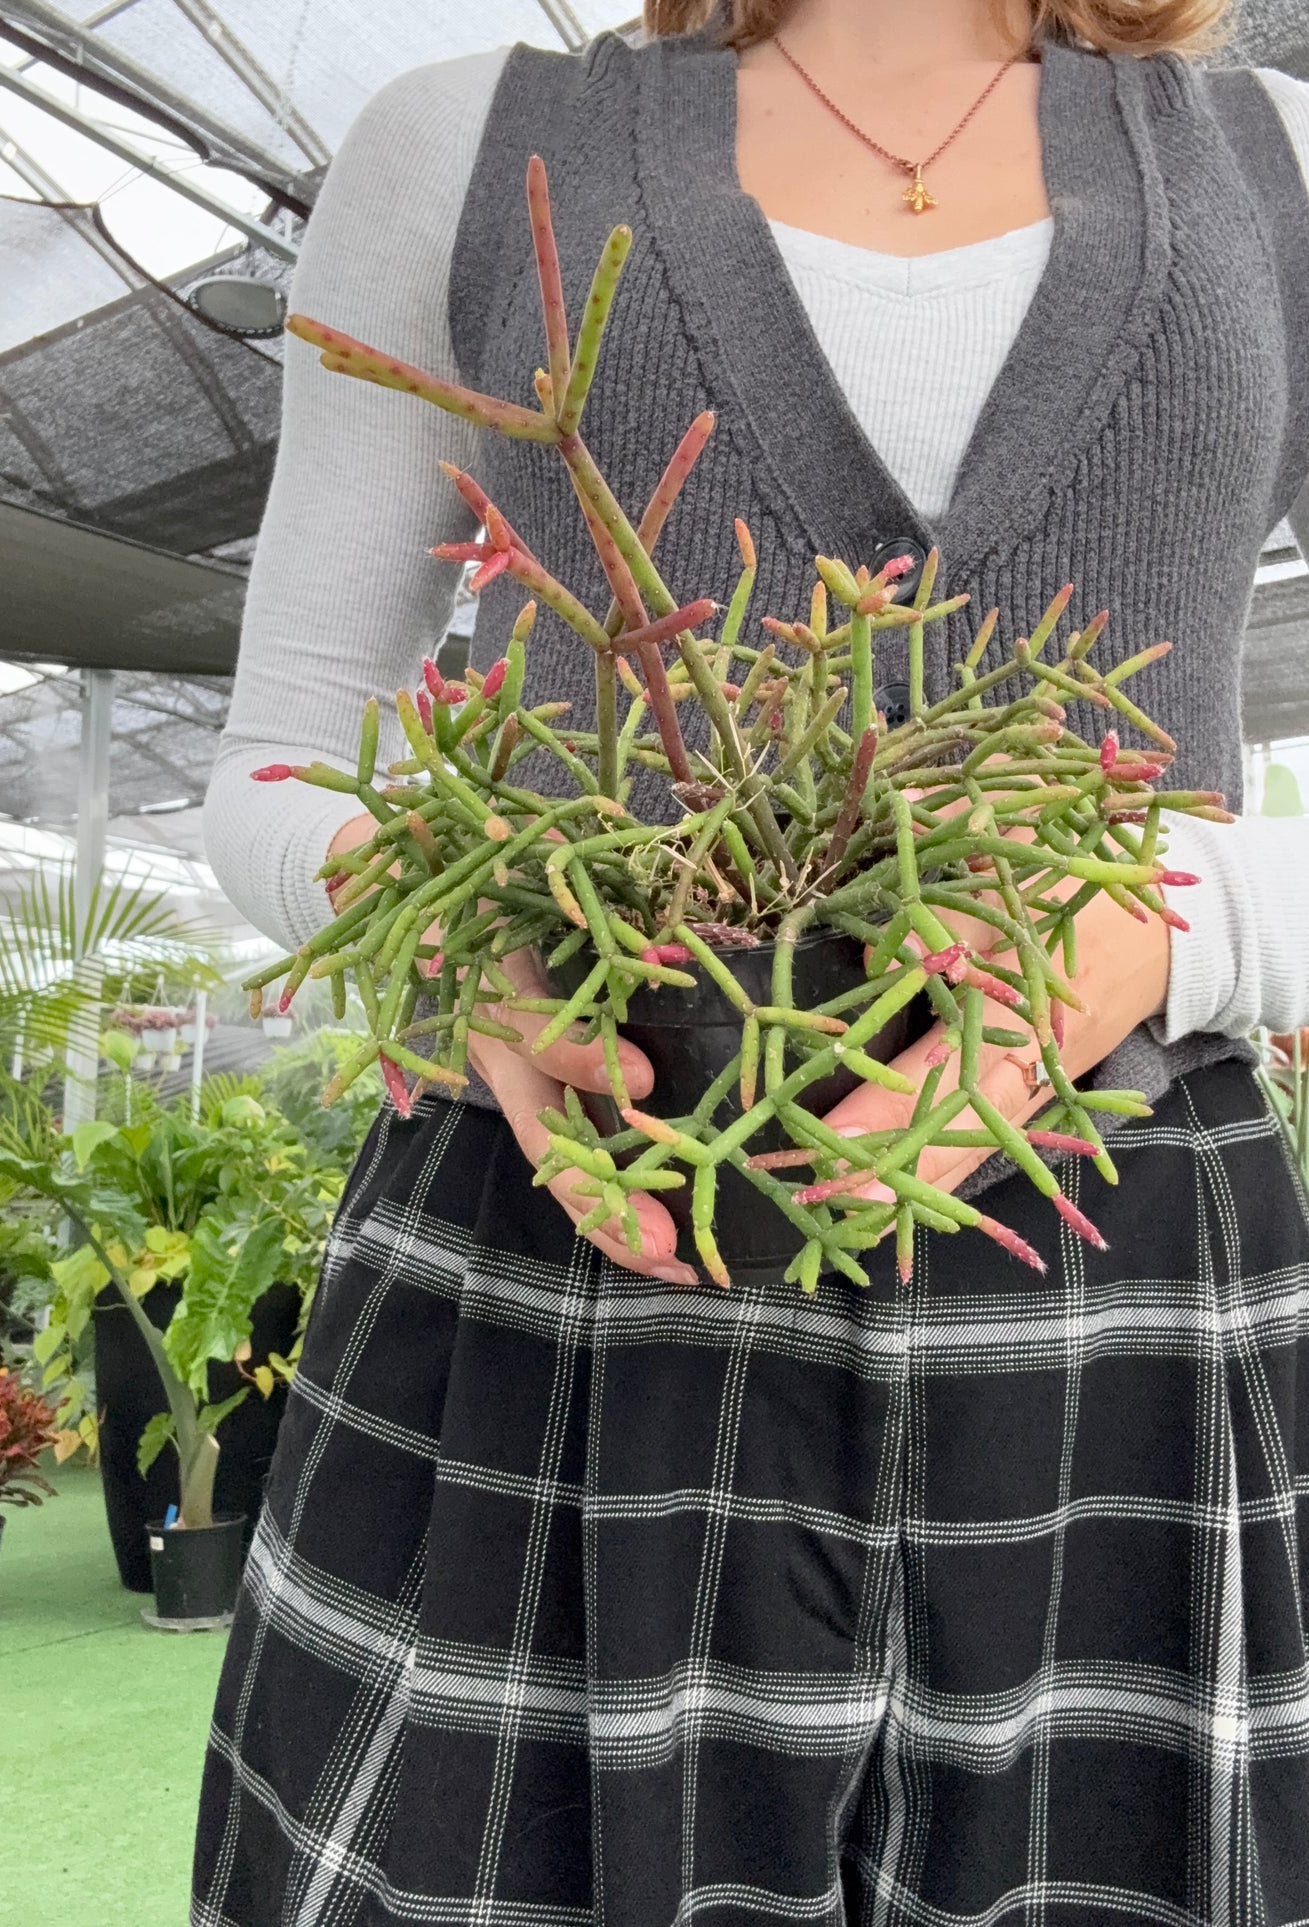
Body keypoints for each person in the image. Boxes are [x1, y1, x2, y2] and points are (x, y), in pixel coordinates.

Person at [193, 2, 1309, 1920]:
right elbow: (283, 751)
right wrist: (452, 928)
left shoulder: (1272, 162)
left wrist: (1174, 920)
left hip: (1114, 1250)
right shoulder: (464, 140)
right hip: (567, 1240)